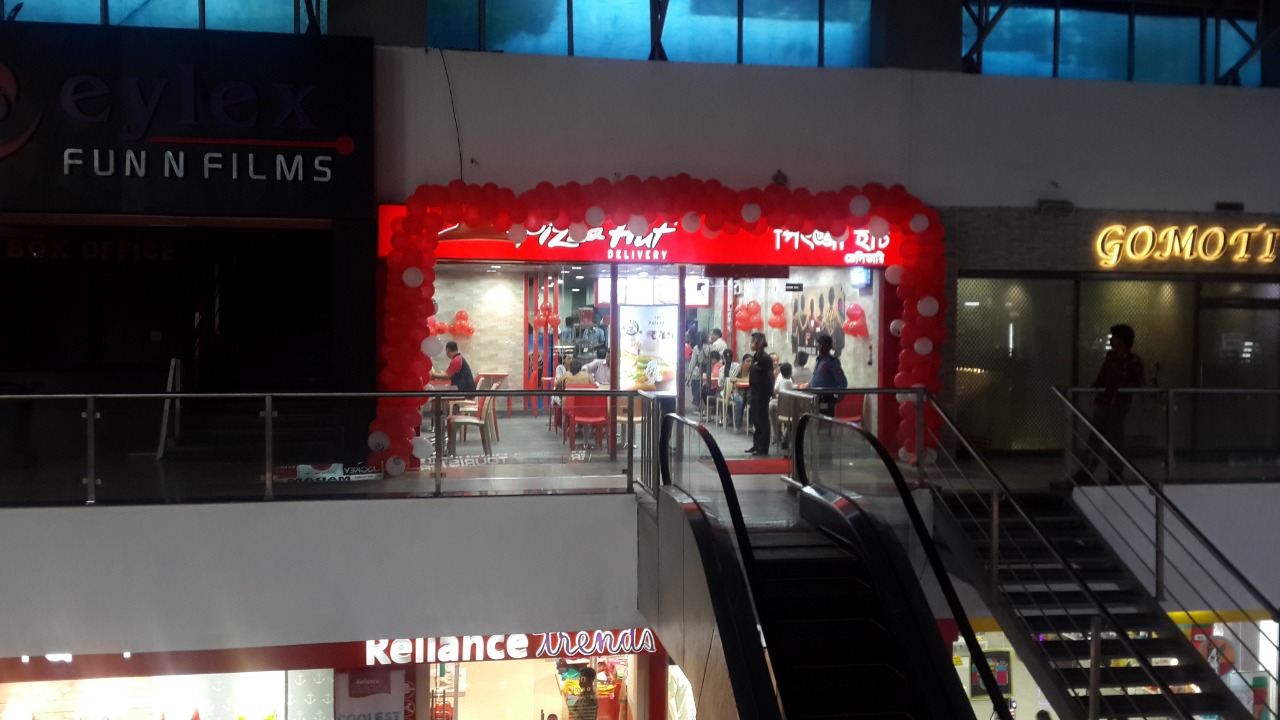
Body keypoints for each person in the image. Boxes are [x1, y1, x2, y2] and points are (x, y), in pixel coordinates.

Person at [1075, 324, 1144, 485]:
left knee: (1115, 441)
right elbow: (1103, 375)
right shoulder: (1111, 357)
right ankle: (1087, 471)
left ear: (1122, 340)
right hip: (1104, 404)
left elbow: (1138, 382)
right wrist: (1097, 386)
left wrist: (1119, 388)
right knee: (1095, 440)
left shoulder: (1133, 361)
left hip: (1118, 406)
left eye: (1114, 337)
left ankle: (1115, 472)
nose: (1112, 340)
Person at [747, 332, 775, 455]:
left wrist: (772, 390)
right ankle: (756, 444)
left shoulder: (766, 359)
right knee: (755, 419)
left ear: (758, 343)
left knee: (762, 419)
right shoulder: (755, 356)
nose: (751, 344)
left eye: (753, 341)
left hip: (762, 392)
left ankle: (763, 447)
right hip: (754, 391)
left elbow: (771, 375)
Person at [809, 334, 847, 415]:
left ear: (828, 346)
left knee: (825, 420)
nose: (819, 347)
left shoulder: (832, 362)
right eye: (819, 344)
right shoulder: (819, 360)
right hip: (816, 398)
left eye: (822, 345)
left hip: (826, 399)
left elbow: (842, 382)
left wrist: (838, 399)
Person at [769, 362, 796, 448]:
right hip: (789, 407)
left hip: (780, 404)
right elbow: (794, 389)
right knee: (795, 417)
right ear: (790, 372)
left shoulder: (780, 380)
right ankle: (785, 437)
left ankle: (777, 437)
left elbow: (775, 390)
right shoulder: (789, 382)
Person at [730, 355, 752, 431]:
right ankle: (738, 425)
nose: (750, 363)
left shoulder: (752, 370)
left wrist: (740, 380)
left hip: (748, 392)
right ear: (743, 362)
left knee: (752, 401)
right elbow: (732, 378)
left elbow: (752, 380)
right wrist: (744, 380)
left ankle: (750, 425)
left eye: (751, 361)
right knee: (740, 401)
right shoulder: (738, 368)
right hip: (736, 391)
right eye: (748, 361)